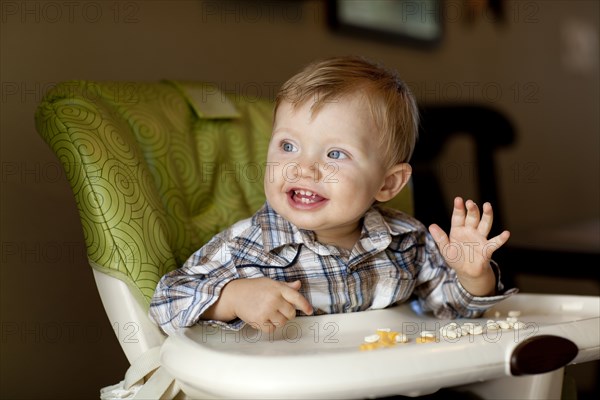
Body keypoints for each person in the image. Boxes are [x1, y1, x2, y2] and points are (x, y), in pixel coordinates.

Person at [149, 56, 516, 335]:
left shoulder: (407, 243)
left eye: (335, 154)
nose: (304, 168)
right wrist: (233, 297)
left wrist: (472, 275)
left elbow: (453, 313)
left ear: (388, 184)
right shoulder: (246, 247)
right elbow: (165, 303)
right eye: (288, 145)